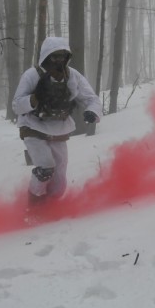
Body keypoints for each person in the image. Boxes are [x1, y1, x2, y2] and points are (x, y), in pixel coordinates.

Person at [12, 37, 101, 207]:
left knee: (60, 178)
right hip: (32, 126)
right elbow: (16, 105)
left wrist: (92, 111)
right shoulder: (32, 75)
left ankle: (51, 206)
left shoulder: (73, 76)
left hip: (59, 128)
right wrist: (33, 100)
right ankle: (33, 205)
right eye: (55, 56)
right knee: (46, 168)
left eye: (62, 56)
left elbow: (91, 98)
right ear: (46, 56)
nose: (59, 60)